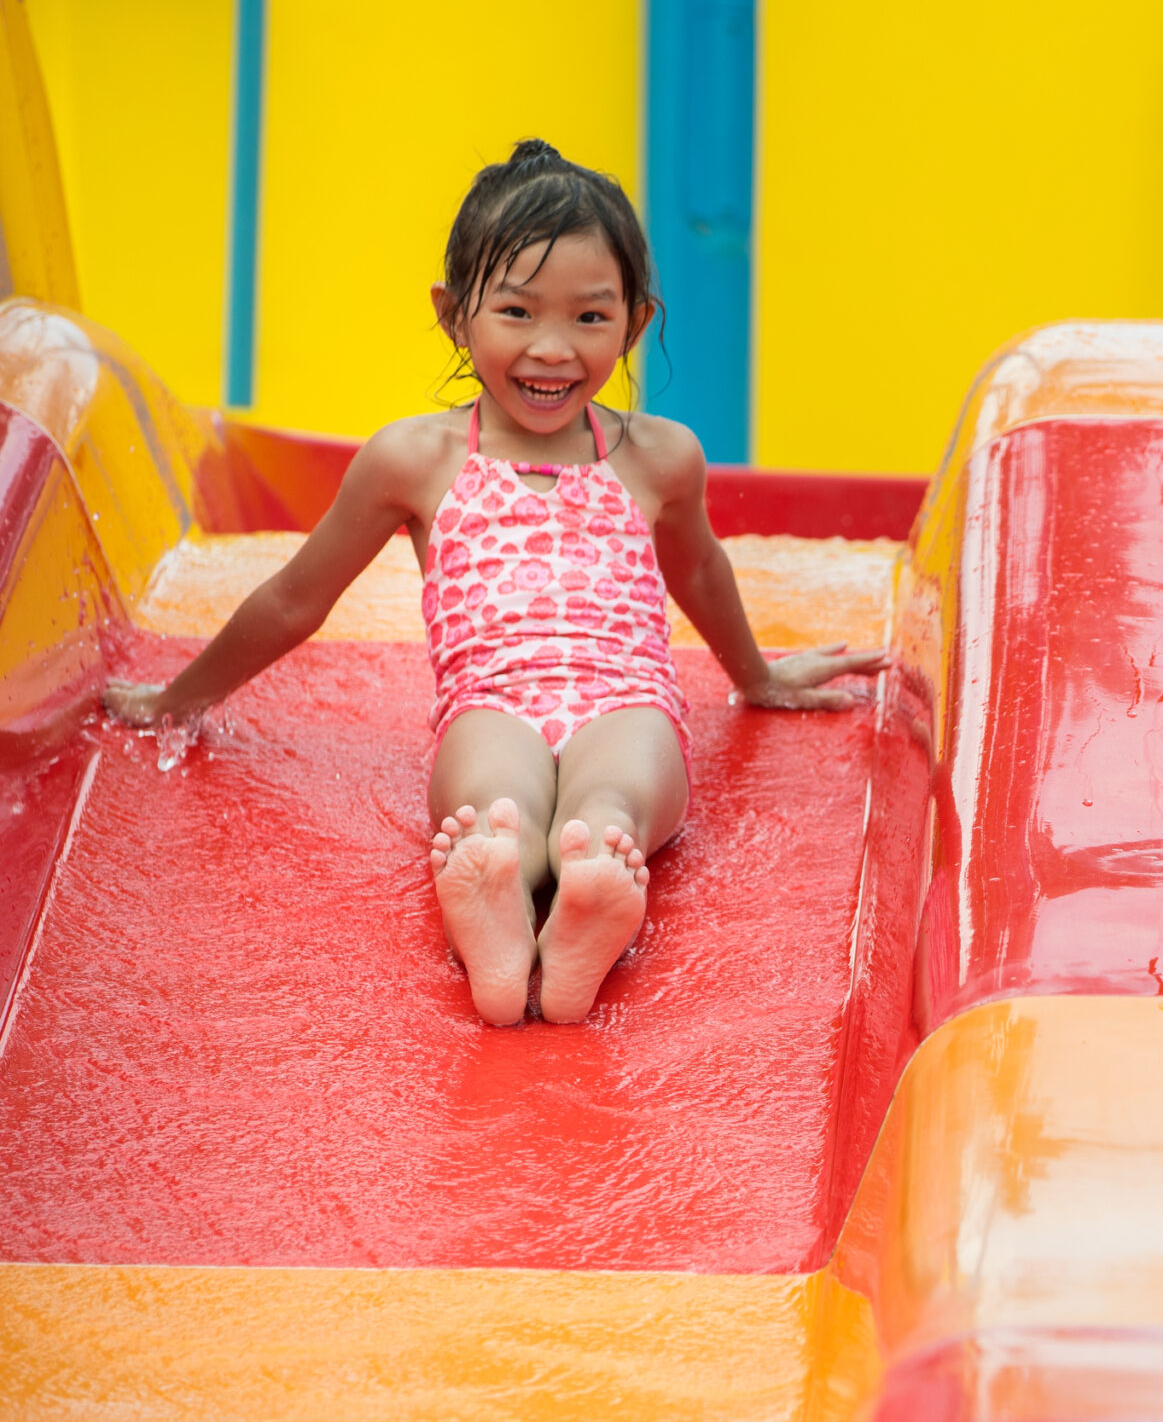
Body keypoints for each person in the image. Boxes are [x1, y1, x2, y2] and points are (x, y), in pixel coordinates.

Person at [105, 140, 877, 1026]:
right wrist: (178, 697)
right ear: (452, 314)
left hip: (626, 698)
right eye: (516, 311)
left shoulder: (659, 456)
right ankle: (499, 916)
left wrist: (757, 676)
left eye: (591, 318)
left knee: (613, 797)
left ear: (635, 320)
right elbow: (295, 598)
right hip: (492, 699)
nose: (551, 350)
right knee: (490, 799)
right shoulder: (417, 458)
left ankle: (588, 892)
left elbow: (697, 567)